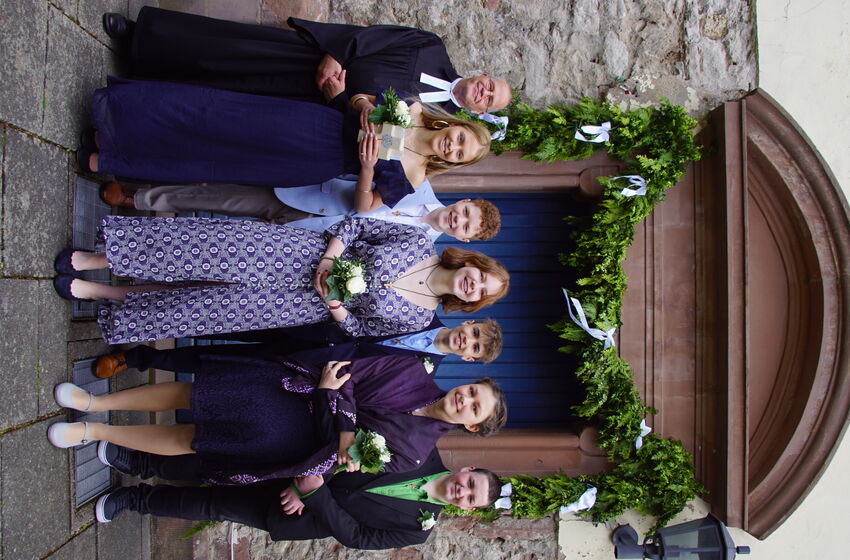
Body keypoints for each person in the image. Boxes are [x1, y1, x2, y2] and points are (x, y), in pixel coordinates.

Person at [47, 354, 508, 483]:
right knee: (196, 391)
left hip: (288, 444)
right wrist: (342, 420)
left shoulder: (413, 453)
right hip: (287, 392)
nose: (464, 399)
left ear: (470, 425)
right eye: (472, 391)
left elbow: (348, 461)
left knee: (194, 439)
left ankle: (93, 433)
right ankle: (94, 404)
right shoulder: (409, 369)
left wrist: (338, 415)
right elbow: (345, 375)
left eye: (474, 407)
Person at [52, 217, 510, 344]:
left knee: (201, 307)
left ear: (473, 304)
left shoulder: (421, 319)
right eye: (481, 277)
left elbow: (360, 330)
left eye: (482, 294)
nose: (475, 285)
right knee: (203, 250)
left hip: (301, 305)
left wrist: (335, 307)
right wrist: (332, 258)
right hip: (299, 256)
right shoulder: (417, 242)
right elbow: (356, 226)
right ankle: (99, 259)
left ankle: (106, 294)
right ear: (474, 262)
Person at [80, 79, 490, 210]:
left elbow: (362, 206)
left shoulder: (414, 177)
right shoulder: (414, 109)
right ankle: (117, 119)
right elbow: (359, 98)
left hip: (314, 162)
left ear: (453, 161)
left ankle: (117, 156)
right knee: (214, 115)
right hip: (310, 125)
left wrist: (366, 168)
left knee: (217, 159)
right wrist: (364, 107)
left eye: (459, 154)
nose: (452, 148)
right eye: (459, 139)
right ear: (455, 125)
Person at [102, 8, 512, 115]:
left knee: (224, 91)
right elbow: (375, 34)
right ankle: (140, 34)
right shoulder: (432, 47)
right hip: (311, 59)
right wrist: (336, 53)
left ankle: (142, 76)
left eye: (488, 99)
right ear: (481, 74)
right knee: (226, 48)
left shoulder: (436, 119)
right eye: (489, 84)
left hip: (312, 104)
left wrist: (338, 99)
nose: (484, 91)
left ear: (480, 110)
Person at [93, 448, 500, 550]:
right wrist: (313, 475)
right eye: (470, 484)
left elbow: (356, 536)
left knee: (214, 505)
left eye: (470, 500)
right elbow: (362, 445)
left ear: (466, 509)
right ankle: (137, 460)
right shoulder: (420, 450)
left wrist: (314, 495)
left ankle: (135, 501)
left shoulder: (417, 531)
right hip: (303, 462)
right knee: (212, 466)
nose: (463, 493)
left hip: (302, 513)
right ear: (466, 470)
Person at [100, 174, 502, 242]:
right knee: (220, 198)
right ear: (463, 202)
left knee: (219, 235)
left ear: (461, 237)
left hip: (309, 240)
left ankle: (135, 236)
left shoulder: (419, 249)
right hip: (308, 196)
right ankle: (138, 198)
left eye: (465, 227)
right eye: (465, 212)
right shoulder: (419, 181)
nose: (459, 219)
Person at [92, 318, 504, 379]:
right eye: (473, 332)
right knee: (220, 320)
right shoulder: (421, 308)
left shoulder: (420, 376)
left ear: (467, 358)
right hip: (307, 321)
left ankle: (134, 357)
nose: (467, 340)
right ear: (467, 323)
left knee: (216, 363)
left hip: (309, 363)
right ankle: (143, 318)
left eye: (473, 348)